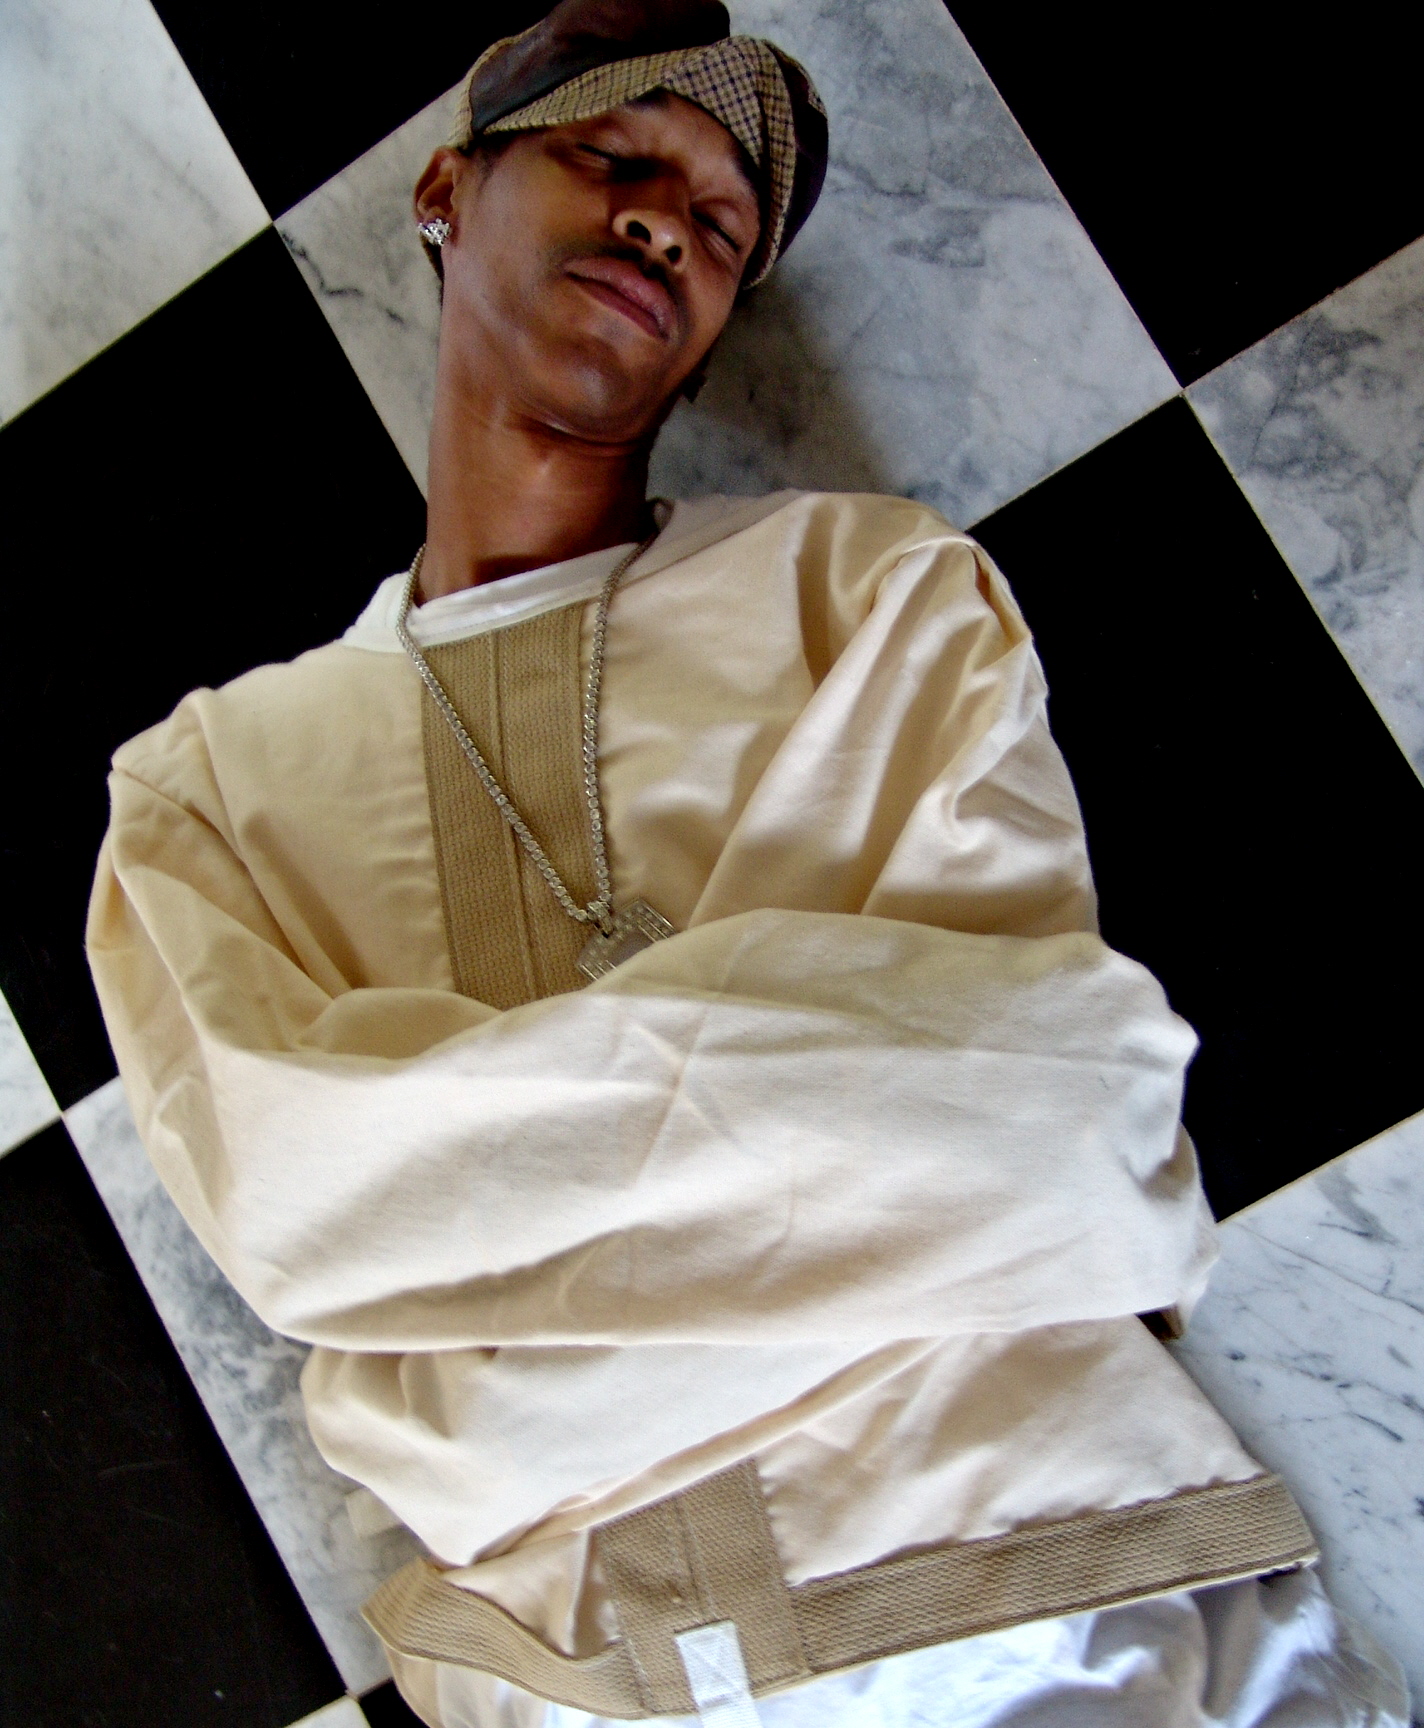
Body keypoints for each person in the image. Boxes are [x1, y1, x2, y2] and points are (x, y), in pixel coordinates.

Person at [86, 1, 1409, 1723]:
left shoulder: (879, 602)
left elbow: (1062, 1113)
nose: (663, 219)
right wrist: (852, 1158)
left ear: (713, 338)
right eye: (609, 153)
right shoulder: (202, 794)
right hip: (603, 1686)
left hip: (1089, 1606)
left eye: (720, 227)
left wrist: (504, 1350)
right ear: (444, 193)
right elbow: (295, 1209)